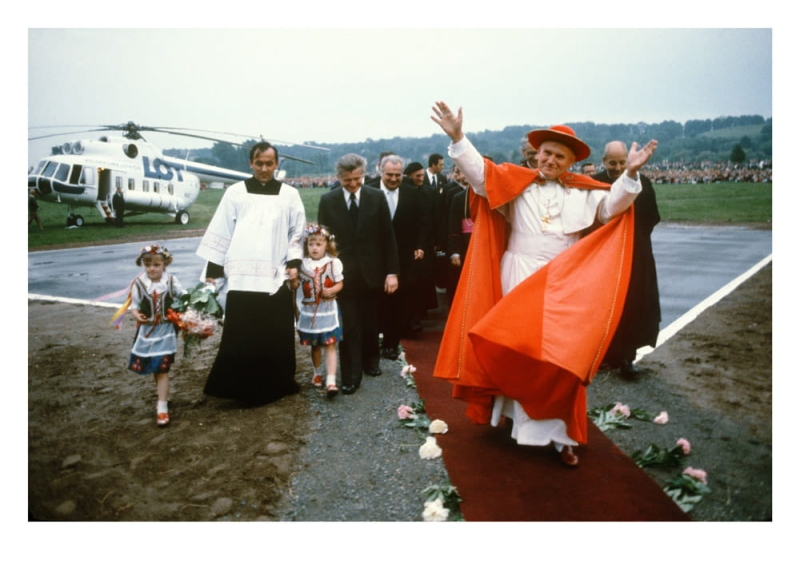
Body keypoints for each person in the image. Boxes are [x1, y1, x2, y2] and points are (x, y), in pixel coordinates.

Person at [430, 101, 657, 467]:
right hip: (517, 273)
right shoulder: (514, 182)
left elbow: (612, 208)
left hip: (563, 281)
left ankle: (559, 436)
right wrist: (458, 137)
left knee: (559, 359)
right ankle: (512, 420)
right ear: (536, 154)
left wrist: (629, 174)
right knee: (517, 350)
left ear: (571, 162)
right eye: (545, 153)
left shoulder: (586, 190)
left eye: (558, 156)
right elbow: (478, 174)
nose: (549, 160)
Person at [196, 141, 305, 406]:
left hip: (274, 273)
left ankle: (279, 383)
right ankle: (238, 388)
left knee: (275, 331)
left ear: (277, 164)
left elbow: (297, 232)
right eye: (259, 163)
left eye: (270, 163)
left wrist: (293, 263)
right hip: (242, 275)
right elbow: (221, 230)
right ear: (250, 163)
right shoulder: (235, 193)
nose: (264, 168)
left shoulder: (289, 195)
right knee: (242, 333)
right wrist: (214, 270)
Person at [317, 153, 400, 394]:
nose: (353, 184)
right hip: (342, 276)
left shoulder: (376, 197)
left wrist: (392, 272)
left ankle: (371, 361)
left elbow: (388, 237)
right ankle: (350, 376)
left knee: (371, 320)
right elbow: (323, 243)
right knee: (349, 325)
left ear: (363, 174)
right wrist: (324, 275)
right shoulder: (328, 200)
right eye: (347, 180)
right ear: (338, 177)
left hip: (373, 272)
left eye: (357, 179)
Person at [593, 141, 661, 379]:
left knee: (632, 303)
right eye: (612, 163)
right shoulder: (596, 183)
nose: (618, 167)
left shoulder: (644, 183)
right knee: (603, 303)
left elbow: (651, 217)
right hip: (604, 254)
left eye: (622, 162)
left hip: (634, 251)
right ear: (604, 162)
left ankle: (626, 357)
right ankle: (603, 354)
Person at [115, 244, 186, 426]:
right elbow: (135, 305)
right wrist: (136, 314)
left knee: (162, 368)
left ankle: (162, 407)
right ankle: (162, 398)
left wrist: (186, 311)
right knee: (156, 367)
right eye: (148, 265)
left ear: (164, 265)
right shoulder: (139, 283)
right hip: (147, 332)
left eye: (156, 265)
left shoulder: (170, 281)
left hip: (166, 331)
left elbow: (183, 297)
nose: (152, 269)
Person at [369, 154, 428, 360]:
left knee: (398, 301)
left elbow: (422, 221)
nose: (394, 179)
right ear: (380, 172)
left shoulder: (412, 193)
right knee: (375, 300)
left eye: (397, 175)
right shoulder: (369, 189)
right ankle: (371, 342)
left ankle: (391, 344)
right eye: (389, 175)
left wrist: (420, 245)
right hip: (374, 255)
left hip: (403, 255)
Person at [293, 223, 344, 398]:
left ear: (327, 245)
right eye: (311, 244)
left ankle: (331, 381)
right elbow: (295, 286)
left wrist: (333, 289)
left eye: (319, 244)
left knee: (330, 345)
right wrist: (292, 281)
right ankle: (317, 373)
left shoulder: (333, 263)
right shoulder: (302, 264)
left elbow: (340, 283)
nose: (314, 248)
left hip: (328, 311)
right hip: (310, 312)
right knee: (315, 346)